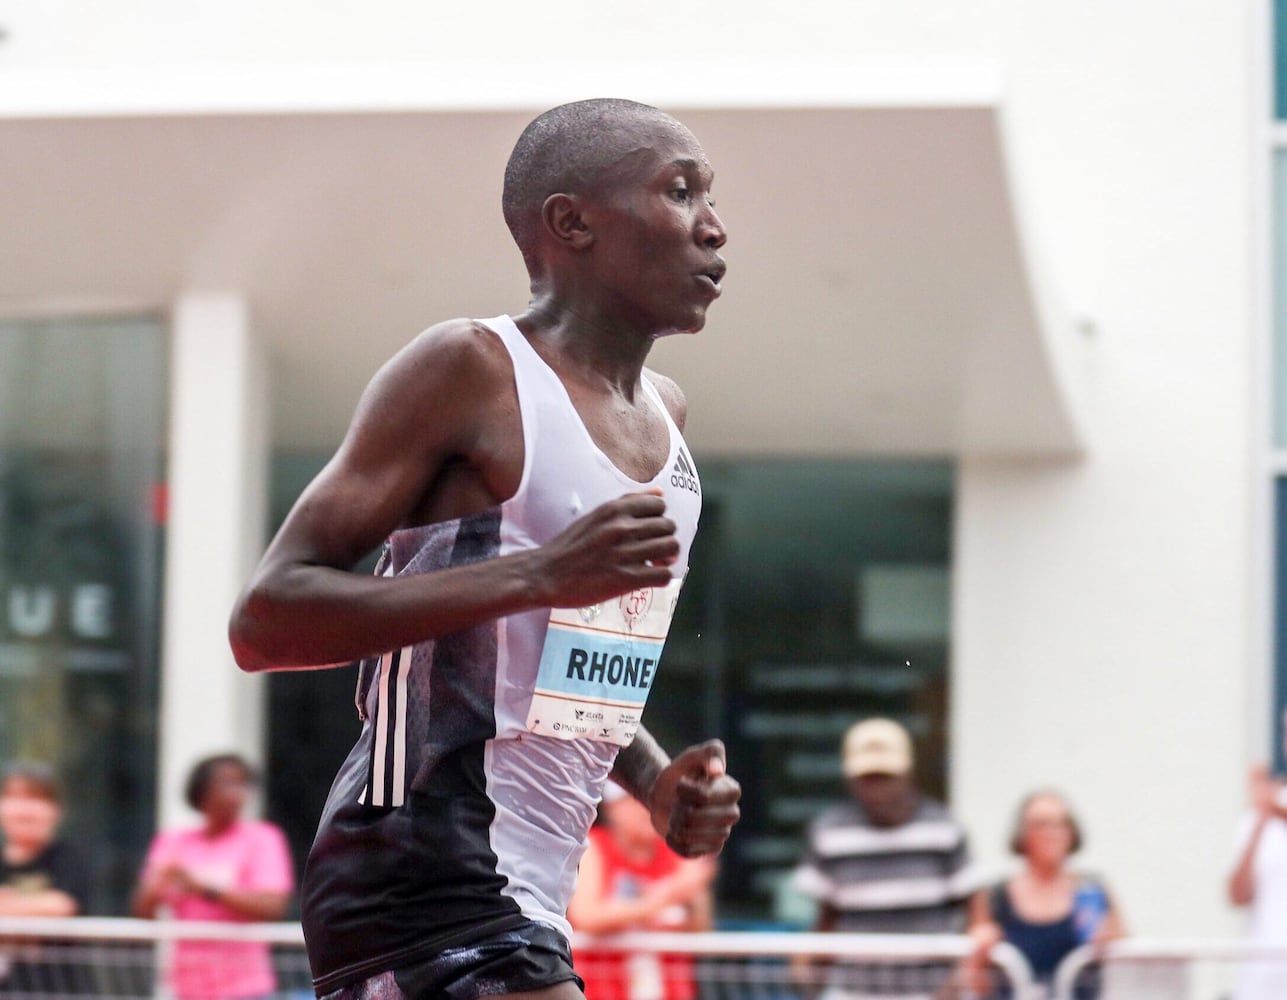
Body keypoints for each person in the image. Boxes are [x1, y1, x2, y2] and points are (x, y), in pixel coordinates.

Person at [227, 97, 741, 1000]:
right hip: (422, 859)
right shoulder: (470, 368)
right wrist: (539, 573)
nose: (713, 226)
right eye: (679, 190)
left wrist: (651, 779)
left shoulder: (670, 412)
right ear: (570, 223)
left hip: (535, 883)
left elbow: (549, 660)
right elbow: (266, 621)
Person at [790, 718, 980, 999]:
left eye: (885, 777)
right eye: (868, 778)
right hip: (854, 990)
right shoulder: (830, 833)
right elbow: (827, 918)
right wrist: (805, 967)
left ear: (907, 774)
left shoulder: (944, 829)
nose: (877, 789)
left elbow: (976, 912)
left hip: (928, 991)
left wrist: (956, 982)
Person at [132, 753, 294, 1000]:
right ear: (201, 791)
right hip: (188, 988)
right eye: (226, 783)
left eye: (242, 784)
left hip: (246, 988)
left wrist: (205, 889)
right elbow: (143, 910)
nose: (236, 793)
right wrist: (159, 883)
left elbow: (273, 906)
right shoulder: (173, 842)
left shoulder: (262, 839)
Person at [965, 790, 1124, 998]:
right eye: (1042, 824)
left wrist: (1110, 938)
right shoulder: (996, 896)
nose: (1052, 833)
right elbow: (974, 981)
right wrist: (980, 952)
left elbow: (1126, 954)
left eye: (1061, 823)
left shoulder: (1092, 890)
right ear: (1022, 833)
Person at [568, 781, 715, 1000]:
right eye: (638, 803)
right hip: (604, 991)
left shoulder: (676, 851)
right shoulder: (594, 847)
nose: (648, 811)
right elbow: (586, 916)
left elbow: (701, 928)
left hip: (669, 991)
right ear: (613, 808)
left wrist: (695, 892)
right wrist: (666, 896)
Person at [0, 760, 93, 991]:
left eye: (37, 799)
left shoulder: (69, 856)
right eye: (16, 798)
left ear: (56, 810)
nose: (25, 810)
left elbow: (61, 906)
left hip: (57, 988)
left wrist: (7, 904)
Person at [1228, 755, 1287, 1000]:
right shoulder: (1257, 812)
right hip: (1261, 977)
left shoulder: (1272, 803)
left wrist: (1274, 809)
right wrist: (1261, 821)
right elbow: (1237, 896)